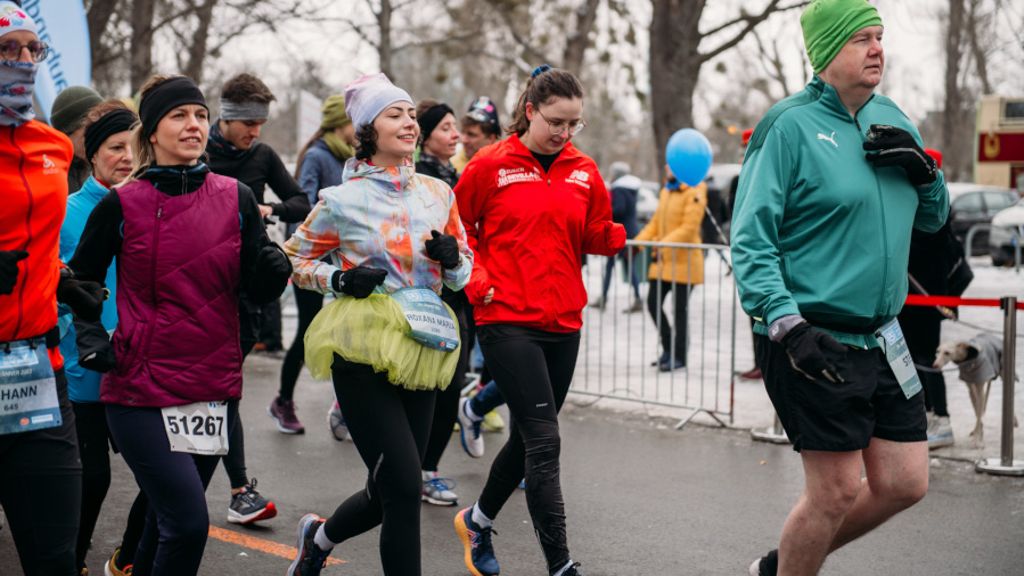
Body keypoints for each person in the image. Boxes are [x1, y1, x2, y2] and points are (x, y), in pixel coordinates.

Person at [731, 1, 949, 574]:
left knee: (905, 482)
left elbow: (932, 218)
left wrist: (927, 175)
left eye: (880, 36)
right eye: (861, 39)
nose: (878, 48)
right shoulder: (789, 126)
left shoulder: (894, 116)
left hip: (883, 338)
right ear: (827, 53)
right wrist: (787, 324)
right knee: (833, 492)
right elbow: (752, 241)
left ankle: (781, 563)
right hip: (814, 338)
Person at [68, 74, 291, 576]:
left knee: (157, 527)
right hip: (139, 388)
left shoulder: (235, 198)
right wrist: (92, 337)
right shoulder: (121, 203)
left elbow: (252, 291)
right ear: (152, 131)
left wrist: (272, 275)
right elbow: (81, 280)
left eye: (200, 115)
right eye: (178, 116)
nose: (193, 125)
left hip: (210, 389)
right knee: (188, 524)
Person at [285, 73, 472, 576]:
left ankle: (317, 539)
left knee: (394, 483)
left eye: (412, 113)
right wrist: (340, 280)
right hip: (362, 350)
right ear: (367, 129)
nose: (410, 122)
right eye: (396, 114)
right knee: (404, 487)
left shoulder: (438, 193)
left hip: (424, 344)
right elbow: (295, 261)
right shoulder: (340, 201)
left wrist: (453, 258)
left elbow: (465, 269)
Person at [452, 64, 625, 576]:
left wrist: (613, 235)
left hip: (563, 320)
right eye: (556, 121)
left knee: (530, 437)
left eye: (574, 124)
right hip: (505, 316)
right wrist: (479, 281)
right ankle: (560, 565)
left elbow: (592, 233)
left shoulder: (584, 170)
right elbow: (458, 229)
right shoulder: (490, 164)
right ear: (530, 111)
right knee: (547, 442)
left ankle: (477, 521)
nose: (565, 133)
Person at [0, 4, 106, 574]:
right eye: (5, 51)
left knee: (55, 557)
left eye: (30, 51)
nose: (22, 63)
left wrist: (66, 285)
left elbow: (38, 246)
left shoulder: (53, 149)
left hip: (36, 372)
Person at [206, 72, 310, 525]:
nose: (255, 132)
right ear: (226, 117)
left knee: (223, 387)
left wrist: (267, 209)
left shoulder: (263, 155)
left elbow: (302, 202)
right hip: (201, 284)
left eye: (260, 123)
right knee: (213, 389)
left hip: (249, 286)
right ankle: (229, 486)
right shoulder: (199, 153)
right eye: (248, 122)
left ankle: (236, 489)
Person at [57, 99, 139, 576]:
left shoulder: (149, 207)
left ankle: (128, 557)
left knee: (165, 473)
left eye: (133, 147)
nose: (126, 157)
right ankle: (71, 558)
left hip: (140, 358)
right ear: (91, 153)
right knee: (93, 478)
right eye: (115, 148)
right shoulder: (66, 210)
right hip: (82, 362)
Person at [273, 93, 355, 437]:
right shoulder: (318, 156)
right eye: (354, 121)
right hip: (312, 262)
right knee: (308, 334)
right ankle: (283, 401)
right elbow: (303, 205)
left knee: (348, 335)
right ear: (341, 123)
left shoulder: (348, 157)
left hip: (341, 261)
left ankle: (346, 405)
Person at [414, 98, 469, 507]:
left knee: (451, 385)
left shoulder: (455, 175)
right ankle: (411, 469)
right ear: (425, 135)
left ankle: (427, 469)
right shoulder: (418, 178)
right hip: (425, 297)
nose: (456, 135)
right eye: (446, 127)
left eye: (456, 127)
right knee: (423, 389)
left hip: (458, 291)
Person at [634, 166, 706, 372]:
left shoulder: (695, 190)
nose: (667, 167)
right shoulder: (666, 190)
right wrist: (637, 244)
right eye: (666, 163)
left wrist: (661, 243)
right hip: (663, 261)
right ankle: (668, 348)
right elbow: (655, 223)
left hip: (685, 263)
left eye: (672, 164)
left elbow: (689, 228)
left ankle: (680, 356)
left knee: (679, 310)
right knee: (652, 303)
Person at [590, 161, 642, 312]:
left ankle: (605, 298)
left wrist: (604, 211)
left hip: (620, 233)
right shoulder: (631, 188)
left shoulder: (619, 188)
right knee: (626, 266)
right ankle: (636, 298)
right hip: (630, 231)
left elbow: (619, 209)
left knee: (614, 266)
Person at [50, 85, 103, 192]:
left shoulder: (100, 169)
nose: (100, 136)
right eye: (91, 129)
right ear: (68, 133)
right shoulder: (51, 176)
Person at [452, 96, 502, 173]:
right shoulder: (449, 163)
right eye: (463, 132)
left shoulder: (502, 170)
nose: (464, 140)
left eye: (471, 135)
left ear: (491, 139)